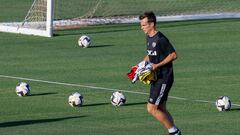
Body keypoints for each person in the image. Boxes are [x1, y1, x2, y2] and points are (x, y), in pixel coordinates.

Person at [138, 11, 181, 135]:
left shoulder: (161, 39)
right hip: (156, 78)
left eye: (144, 25)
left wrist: (156, 65)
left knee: (151, 108)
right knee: (161, 109)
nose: (142, 28)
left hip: (164, 78)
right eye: (141, 25)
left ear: (151, 24)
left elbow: (173, 55)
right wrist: (140, 64)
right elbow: (150, 53)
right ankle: (173, 131)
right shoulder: (149, 37)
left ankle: (174, 132)